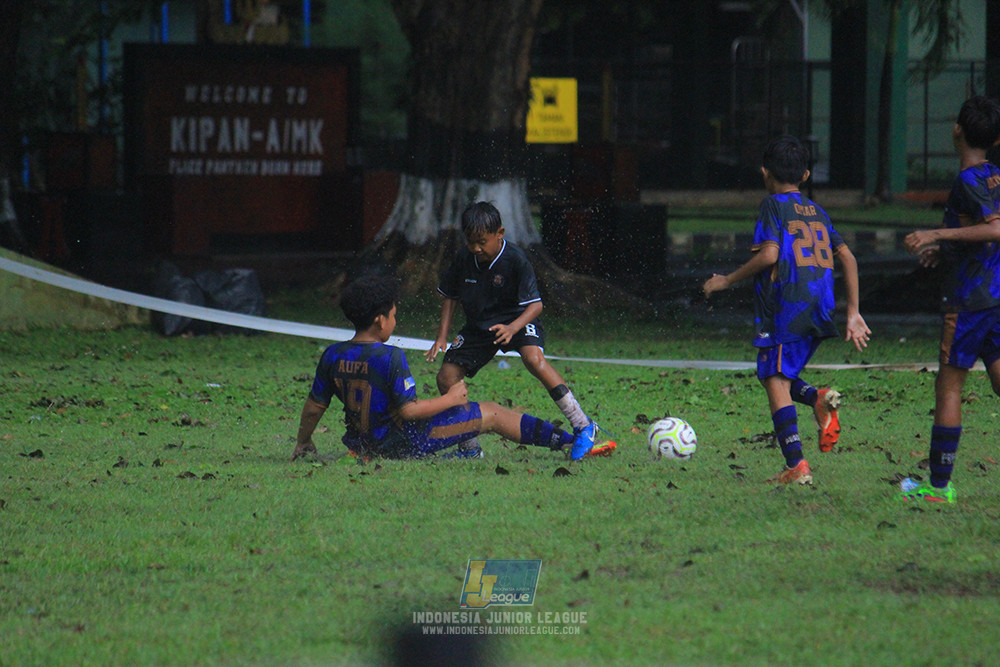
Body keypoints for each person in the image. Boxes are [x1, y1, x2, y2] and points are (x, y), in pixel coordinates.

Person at [702, 135, 871, 485]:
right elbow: (849, 258)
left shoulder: (772, 206)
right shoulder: (818, 211)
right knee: (776, 374)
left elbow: (769, 255)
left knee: (774, 380)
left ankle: (796, 465)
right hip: (820, 307)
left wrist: (726, 280)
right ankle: (818, 398)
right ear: (806, 175)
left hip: (786, 307)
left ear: (765, 172)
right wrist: (853, 312)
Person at [290, 272, 597, 462]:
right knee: (490, 412)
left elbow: (315, 406)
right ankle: (570, 442)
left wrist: (304, 442)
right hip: (400, 444)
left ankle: (468, 451)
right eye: (394, 316)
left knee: (480, 412)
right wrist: (451, 400)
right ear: (379, 320)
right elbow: (408, 412)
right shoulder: (389, 357)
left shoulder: (332, 354)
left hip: (360, 443)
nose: (395, 322)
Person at [424, 201, 615, 458]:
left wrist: (513, 327)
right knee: (446, 377)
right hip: (480, 327)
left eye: (482, 241)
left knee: (533, 359)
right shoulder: (463, 258)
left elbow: (536, 306)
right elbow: (450, 297)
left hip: (520, 319)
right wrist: (441, 337)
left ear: (499, 234)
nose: (476, 248)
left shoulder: (516, 259)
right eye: (471, 241)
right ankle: (469, 448)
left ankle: (583, 424)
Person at [898, 95, 1000, 504]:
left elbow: (995, 229)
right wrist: (946, 250)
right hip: (995, 294)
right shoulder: (995, 176)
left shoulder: (969, 179)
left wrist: (935, 235)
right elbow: (978, 231)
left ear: (956, 130)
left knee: (949, 387)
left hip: (971, 300)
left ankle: (938, 487)